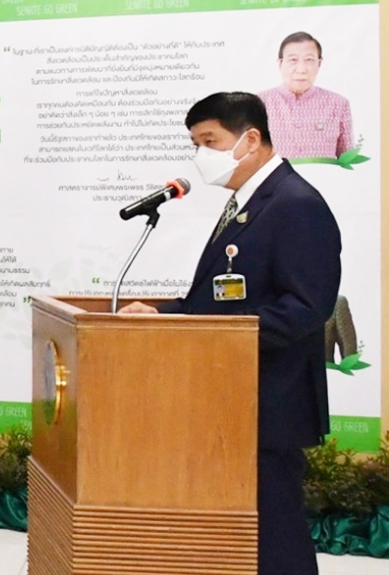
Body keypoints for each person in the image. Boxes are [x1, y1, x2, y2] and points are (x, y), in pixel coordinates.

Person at [119, 92, 342, 575]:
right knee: (243, 532)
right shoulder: (251, 202)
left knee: (275, 529)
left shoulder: (295, 203)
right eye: (195, 144)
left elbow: (306, 307)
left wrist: (214, 339)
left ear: (251, 139)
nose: (201, 155)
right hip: (230, 395)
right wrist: (164, 315)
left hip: (268, 398)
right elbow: (219, 300)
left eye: (210, 141)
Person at [258, 31, 354, 159]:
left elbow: (347, 160)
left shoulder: (338, 104)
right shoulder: (260, 102)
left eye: (309, 60)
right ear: (280, 63)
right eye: (293, 60)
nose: (301, 69)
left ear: (319, 64)